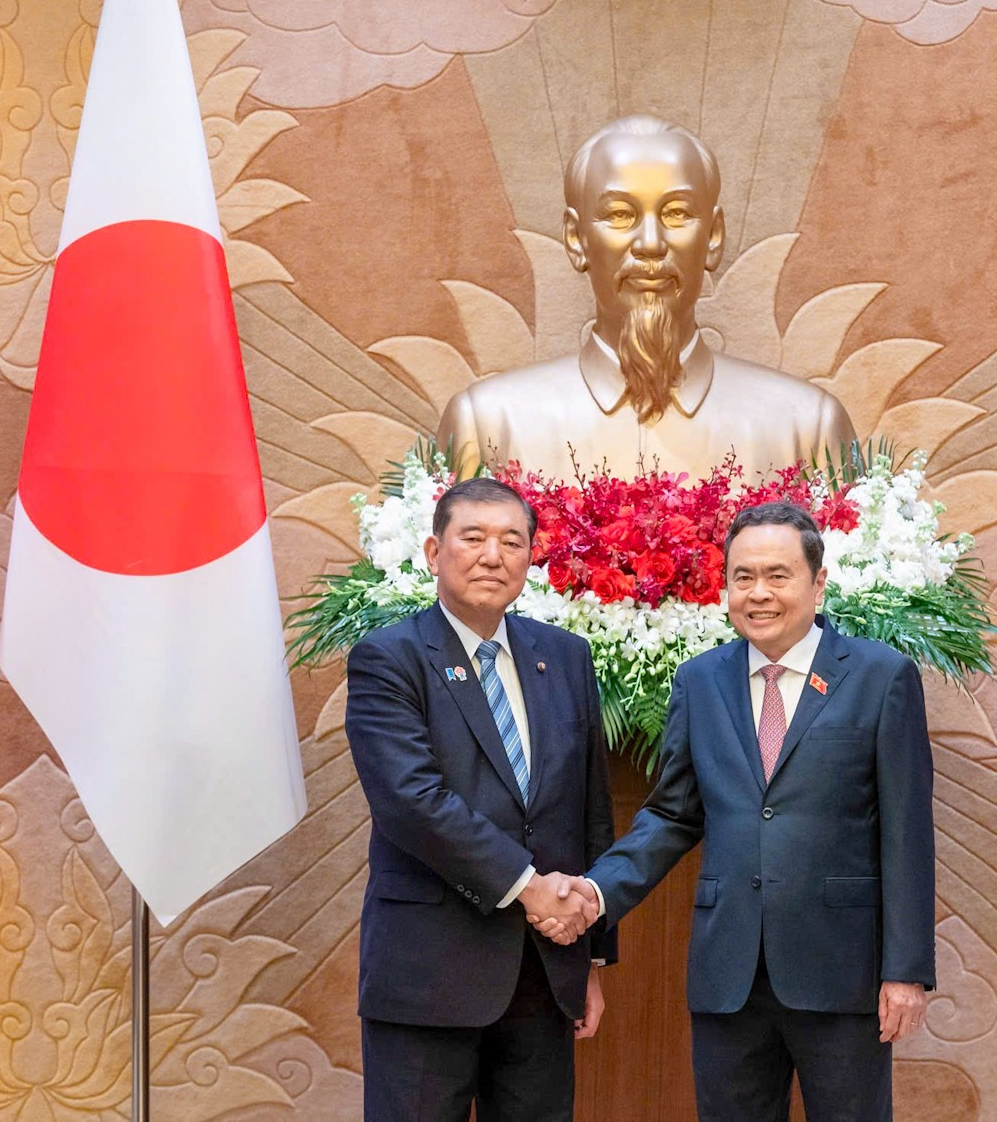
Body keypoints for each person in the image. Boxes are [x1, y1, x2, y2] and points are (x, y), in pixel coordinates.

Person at [539, 500, 935, 1121]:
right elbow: (671, 815)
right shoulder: (700, 681)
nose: (759, 594)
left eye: (778, 576)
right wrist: (596, 891)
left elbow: (907, 833)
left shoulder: (880, 677)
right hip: (729, 976)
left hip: (843, 972)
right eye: (742, 577)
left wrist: (906, 971)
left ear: (818, 582)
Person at [344, 476, 615, 1122]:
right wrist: (527, 886)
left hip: (543, 973)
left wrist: (592, 958)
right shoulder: (389, 658)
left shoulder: (566, 656)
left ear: (530, 556)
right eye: (474, 538)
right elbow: (413, 800)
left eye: (511, 540)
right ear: (435, 551)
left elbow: (589, 810)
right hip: (427, 972)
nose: (493, 555)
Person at [437, 115, 855, 478]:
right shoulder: (490, 427)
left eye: (677, 213)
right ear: (575, 239)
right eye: (620, 215)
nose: (651, 244)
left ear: (712, 237)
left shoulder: (806, 431)